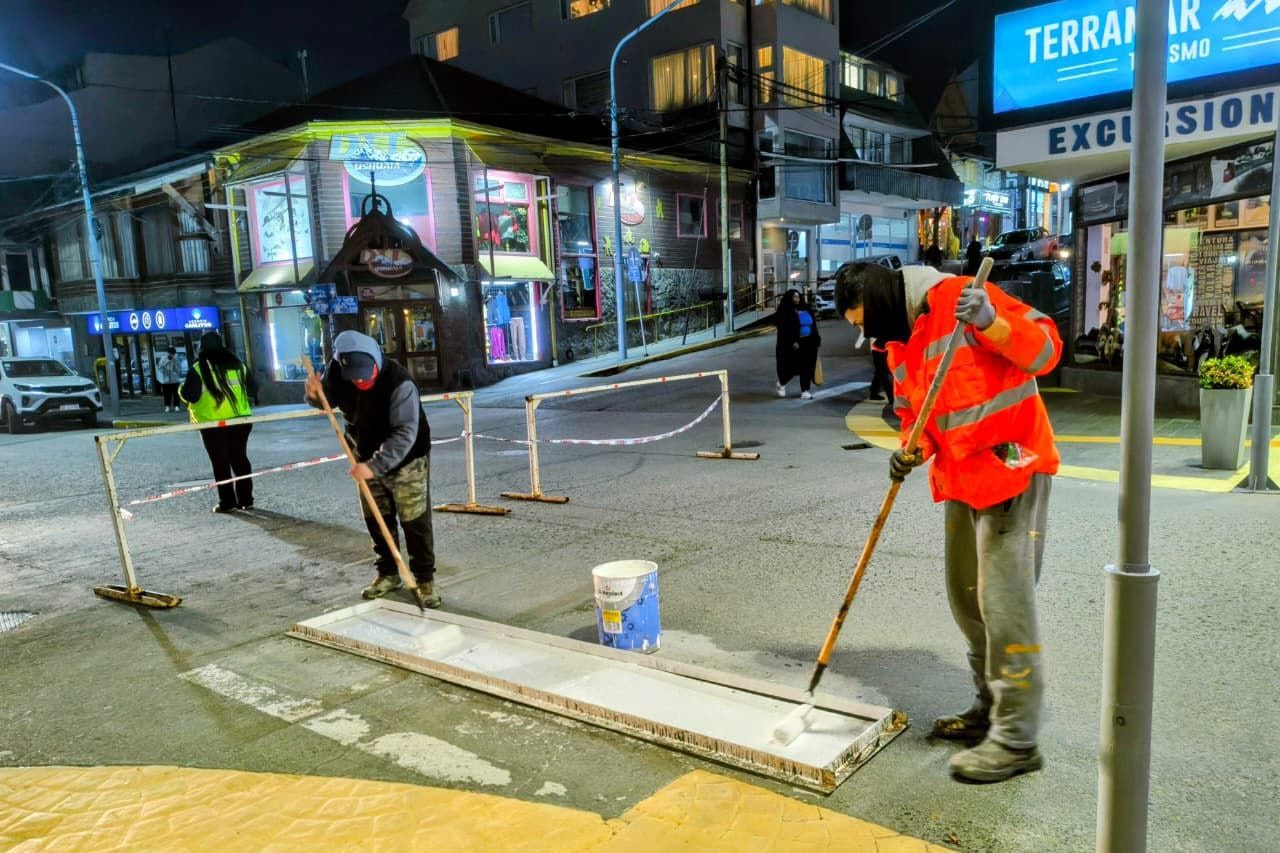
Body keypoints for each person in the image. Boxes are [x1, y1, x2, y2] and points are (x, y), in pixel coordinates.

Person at [834, 261, 1061, 783]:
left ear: (883, 299)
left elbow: (1045, 351)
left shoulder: (964, 297)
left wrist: (991, 322)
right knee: (968, 603)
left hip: (1011, 468)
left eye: (862, 319)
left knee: (1006, 608)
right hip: (961, 481)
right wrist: (910, 450)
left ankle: (1017, 738)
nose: (863, 332)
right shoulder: (897, 342)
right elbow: (918, 411)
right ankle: (989, 709)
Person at [304, 330, 441, 608]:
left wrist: (375, 466)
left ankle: (424, 580)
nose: (361, 380)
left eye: (366, 374)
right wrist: (315, 397)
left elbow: (405, 432)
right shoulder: (337, 371)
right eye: (354, 376)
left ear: (376, 360)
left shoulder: (399, 382)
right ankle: (388, 574)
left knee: (414, 521)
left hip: (407, 458)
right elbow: (329, 401)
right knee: (378, 518)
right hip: (364, 452)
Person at [180, 332, 255, 513]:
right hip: (241, 420)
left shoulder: (198, 369)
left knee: (220, 463)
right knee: (240, 459)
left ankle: (227, 502)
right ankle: (246, 499)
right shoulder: (239, 365)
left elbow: (190, 395)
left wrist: (181, 388)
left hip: (214, 425)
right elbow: (253, 389)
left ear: (202, 348)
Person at [773, 289, 821, 400]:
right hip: (794, 344)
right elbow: (783, 330)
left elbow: (813, 325)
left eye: (798, 297)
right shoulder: (785, 311)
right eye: (794, 297)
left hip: (809, 342)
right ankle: (782, 383)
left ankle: (805, 390)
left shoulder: (806, 309)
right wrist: (792, 341)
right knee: (792, 367)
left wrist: (817, 338)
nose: (797, 299)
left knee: (807, 367)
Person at [156, 347, 183, 412]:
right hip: (166, 380)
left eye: (172, 354)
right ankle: (167, 406)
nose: (171, 355)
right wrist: (168, 361)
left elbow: (179, 370)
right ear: (167, 353)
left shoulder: (176, 359)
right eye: (170, 353)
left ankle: (176, 406)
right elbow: (159, 368)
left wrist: (174, 363)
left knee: (176, 394)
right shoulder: (163, 359)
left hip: (175, 380)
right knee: (167, 394)